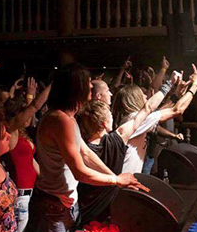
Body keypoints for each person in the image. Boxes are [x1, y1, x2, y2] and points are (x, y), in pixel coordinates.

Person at [20, 63, 147, 232]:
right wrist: (115, 179)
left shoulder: (66, 118)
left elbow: (86, 153)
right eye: (87, 83)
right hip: (53, 205)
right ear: (75, 87)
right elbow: (79, 171)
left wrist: (117, 179)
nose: (91, 88)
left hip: (60, 203)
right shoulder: (61, 120)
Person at [76, 71, 183, 222]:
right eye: (110, 115)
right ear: (106, 124)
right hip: (112, 203)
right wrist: (172, 85)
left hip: (86, 211)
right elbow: (148, 109)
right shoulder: (116, 139)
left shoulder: (79, 144)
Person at [112, 64, 197, 174]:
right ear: (134, 99)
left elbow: (161, 111)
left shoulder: (132, 118)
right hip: (124, 181)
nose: (145, 97)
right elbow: (176, 110)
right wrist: (195, 85)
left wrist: (176, 95)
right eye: (142, 95)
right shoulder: (134, 119)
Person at [4, 78, 51, 232]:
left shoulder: (22, 134)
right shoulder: (11, 131)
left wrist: (46, 179)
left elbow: (30, 161)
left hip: (27, 193)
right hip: (20, 195)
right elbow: (34, 107)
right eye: (25, 113)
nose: (30, 116)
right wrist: (52, 85)